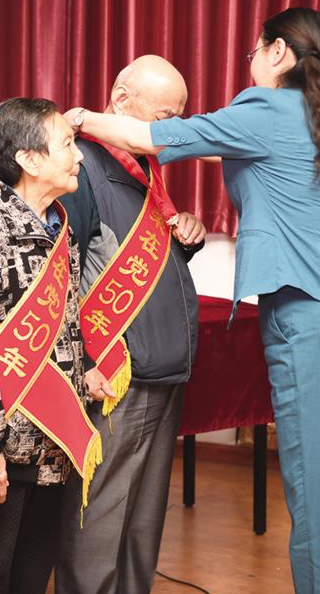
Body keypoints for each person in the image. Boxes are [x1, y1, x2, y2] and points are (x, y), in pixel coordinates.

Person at [66, 7, 320, 594]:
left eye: (255, 51)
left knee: (316, 504)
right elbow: (203, 143)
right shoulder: (319, 116)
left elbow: (149, 137)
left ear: (279, 52)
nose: (251, 62)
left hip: (311, 326)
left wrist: (76, 120)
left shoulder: (267, 107)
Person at [0, 98, 104, 593]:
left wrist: (85, 368)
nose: (80, 156)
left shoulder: (57, 224)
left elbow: (65, 320)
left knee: (32, 576)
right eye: (67, 144)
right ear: (28, 159)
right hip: (5, 447)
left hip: (54, 440)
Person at [55, 55, 205, 594]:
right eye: (165, 116)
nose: (173, 129)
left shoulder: (143, 168)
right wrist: (84, 362)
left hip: (161, 370)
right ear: (121, 101)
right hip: (117, 375)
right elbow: (60, 279)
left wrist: (188, 236)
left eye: (180, 117)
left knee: (143, 518)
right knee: (100, 517)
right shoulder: (81, 169)